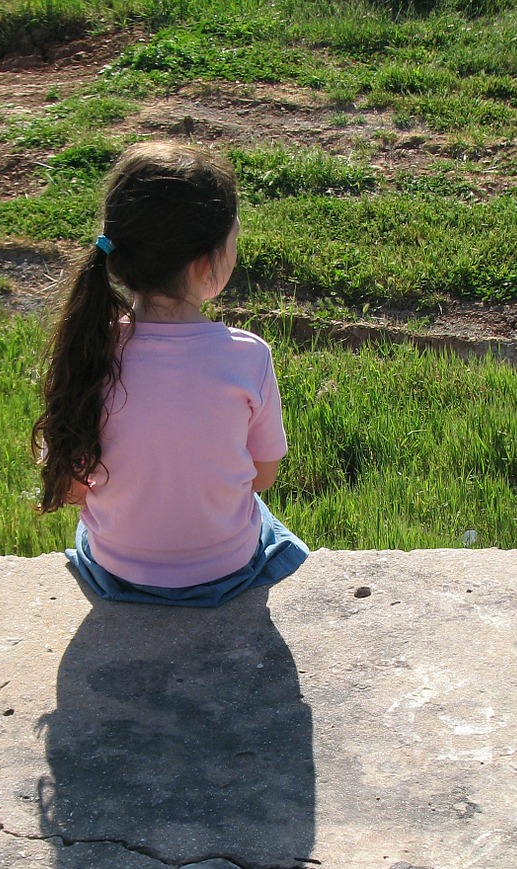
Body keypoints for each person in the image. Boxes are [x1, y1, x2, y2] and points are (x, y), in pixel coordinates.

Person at [32, 141, 309, 606]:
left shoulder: (90, 352)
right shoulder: (248, 357)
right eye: (234, 240)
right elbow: (262, 478)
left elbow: (74, 487)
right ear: (205, 264)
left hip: (115, 569)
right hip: (227, 569)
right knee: (272, 529)